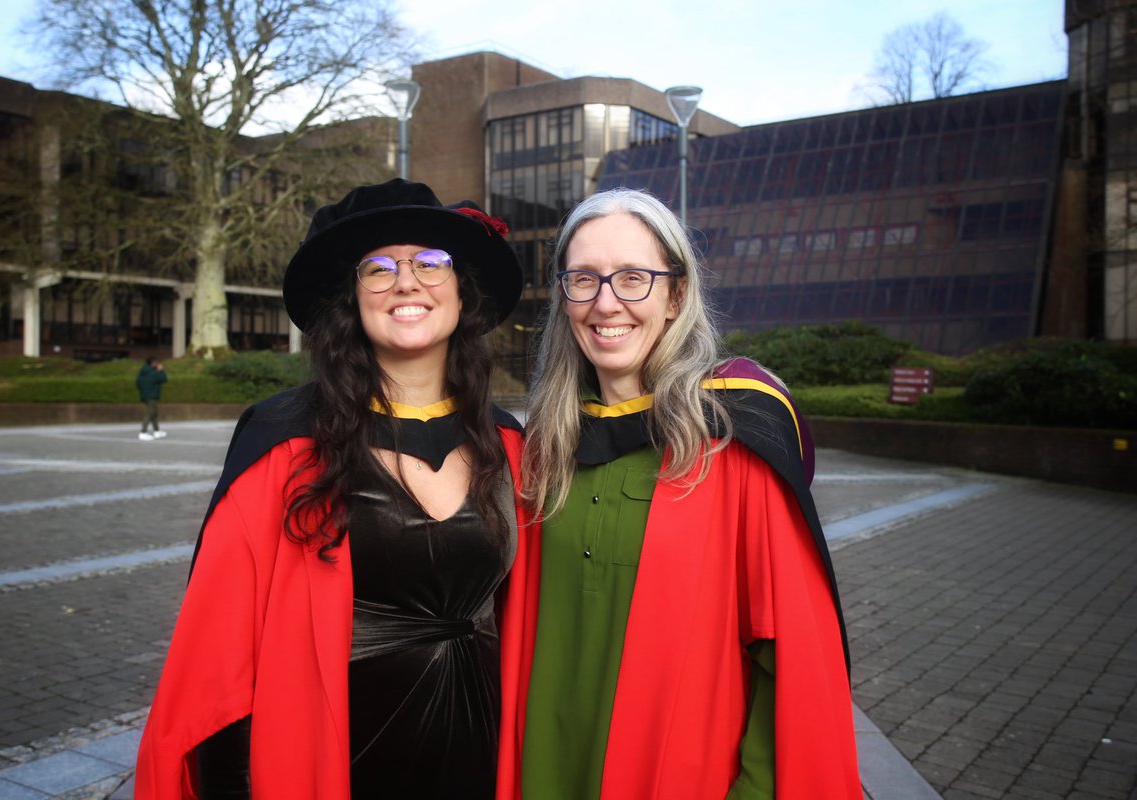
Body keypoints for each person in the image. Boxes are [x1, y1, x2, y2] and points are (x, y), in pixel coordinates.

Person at [135, 178, 532, 799]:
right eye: (377, 269)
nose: (407, 282)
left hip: (479, 749)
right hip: (333, 756)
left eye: (430, 263)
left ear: (462, 290)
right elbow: (220, 662)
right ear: (352, 297)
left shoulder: (507, 445)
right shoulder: (284, 443)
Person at [505, 189, 861, 799]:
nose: (605, 302)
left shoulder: (732, 444)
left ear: (675, 295)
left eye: (633, 278)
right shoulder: (541, 453)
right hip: (545, 767)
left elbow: (791, 660)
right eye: (583, 279)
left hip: (684, 776)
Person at [137, 356, 168, 441]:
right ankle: (143, 432)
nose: (158, 364)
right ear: (153, 363)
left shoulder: (142, 372)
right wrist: (161, 370)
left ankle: (157, 431)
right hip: (152, 395)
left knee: (154, 413)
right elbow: (164, 378)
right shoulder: (153, 372)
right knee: (150, 413)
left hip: (145, 395)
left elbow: (138, 383)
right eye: (156, 362)